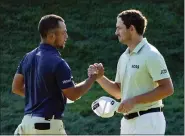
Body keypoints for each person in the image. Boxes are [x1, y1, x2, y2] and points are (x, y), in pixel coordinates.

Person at [88, 9, 174, 135]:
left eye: (119, 28)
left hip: (148, 121)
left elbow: (167, 89)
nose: (116, 32)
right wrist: (100, 77)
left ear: (131, 29)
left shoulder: (151, 54)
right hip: (127, 122)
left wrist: (134, 101)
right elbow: (118, 92)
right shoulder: (124, 57)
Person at [12, 14, 98, 135]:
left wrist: (41, 94)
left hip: (26, 125)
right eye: (63, 33)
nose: (66, 36)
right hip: (47, 127)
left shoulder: (27, 57)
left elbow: (16, 88)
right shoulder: (58, 62)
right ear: (52, 36)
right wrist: (92, 78)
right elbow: (72, 95)